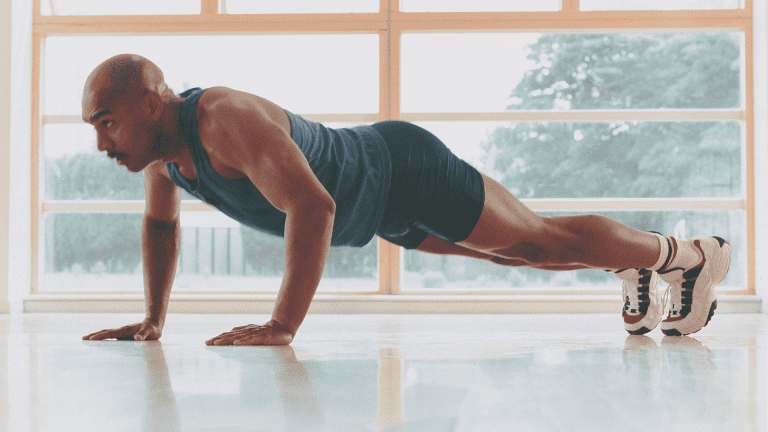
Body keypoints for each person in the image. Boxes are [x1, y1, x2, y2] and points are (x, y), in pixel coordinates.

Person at [80, 54, 731, 346]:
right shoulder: (166, 163)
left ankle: (691, 256)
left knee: (539, 241)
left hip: (400, 168)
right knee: (517, 256)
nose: (100, 140)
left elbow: (313, 206)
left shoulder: (221, 118)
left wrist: (281, 326)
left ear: (149, 101)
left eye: (106, 120)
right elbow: (160, 232)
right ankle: (635, 264)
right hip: (383, 210)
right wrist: (152, 317)